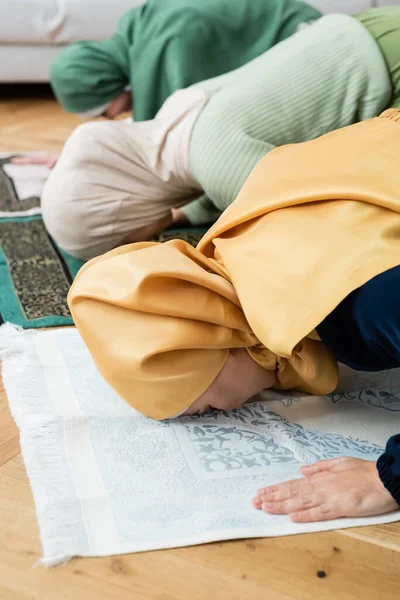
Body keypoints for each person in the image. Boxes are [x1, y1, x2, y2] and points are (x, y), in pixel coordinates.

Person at [68, 107, 400, 521]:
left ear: (218, 340)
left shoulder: (344, 303)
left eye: (206, 408)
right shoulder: (243, 231)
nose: (226, 413)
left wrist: (386, 477)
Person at [39, 10, 400, 260]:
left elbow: (312, 226)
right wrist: (181, 215)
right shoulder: (177, 114)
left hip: (389, 72)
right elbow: (227, 165)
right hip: (366, 31)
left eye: (132, 239)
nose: (148, 239)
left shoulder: (221, 171)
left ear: (124, 213)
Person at [49, 0, 321, 122]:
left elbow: (181, 127)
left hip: (310, 44)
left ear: (103, 86)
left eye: (102, 113)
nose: (110, 118)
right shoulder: (136, 30)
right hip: (299, 30)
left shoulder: (166, 46)